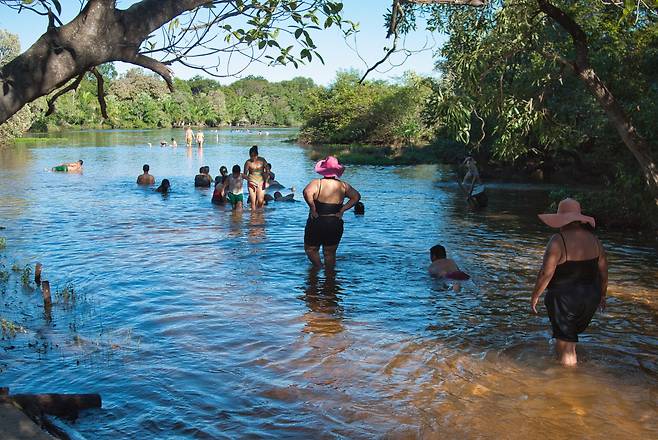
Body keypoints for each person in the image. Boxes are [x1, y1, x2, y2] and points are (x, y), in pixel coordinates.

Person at [531, 198, 608, 366]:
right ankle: (571, 371)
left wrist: (535, 296)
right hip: (590, 297)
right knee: (570, 340)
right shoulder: (595, 241)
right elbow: (603, 272)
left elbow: (546, 273)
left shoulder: (558, 241)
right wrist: (602, 295)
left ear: (561, 220)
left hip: (564, 300)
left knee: (565, 345)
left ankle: (567, 384)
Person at [303, 156, 360, 268]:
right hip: (335, 222)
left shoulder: (317, 183)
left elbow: (306, 192)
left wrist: (313, 208)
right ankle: (330, 277)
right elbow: (356, 197)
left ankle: (319, 267)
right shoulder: (343, 186)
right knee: (330, 252)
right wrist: (342, 209)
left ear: (323, 170)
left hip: (317, 221)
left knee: (310, 249)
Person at [244, 145, 269, 210]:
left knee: (260, 201)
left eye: (254, 156)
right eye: (251, 156)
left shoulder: (262, 160)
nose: (253, 158)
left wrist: (266, 182)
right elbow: (244, 175)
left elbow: (267, 171)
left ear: (257, 155)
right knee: (253, 202)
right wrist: (249, 180)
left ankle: (260, 217)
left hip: (261, 182)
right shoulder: (248, 162)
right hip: (251, 183)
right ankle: (253, 218)